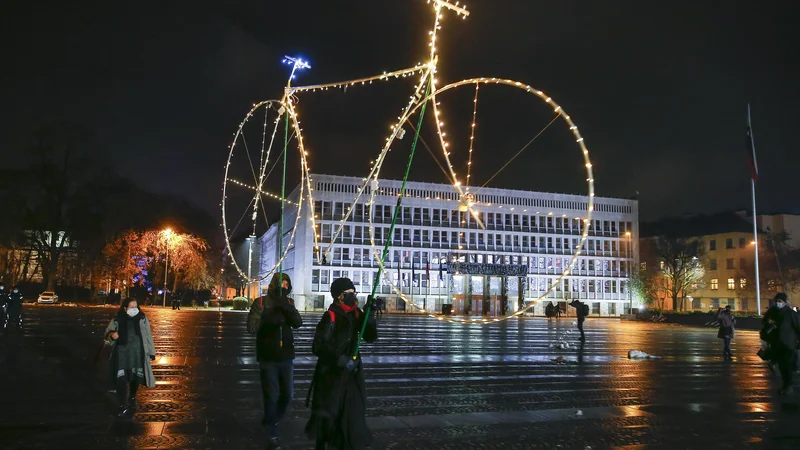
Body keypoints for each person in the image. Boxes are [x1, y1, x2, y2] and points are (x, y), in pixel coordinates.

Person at [306, 278, 378, 450]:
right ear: (339, 296)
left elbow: (370, 337)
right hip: (331, 378)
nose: (353, 296)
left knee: (351, 416)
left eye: (354, 292)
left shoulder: (356, 313)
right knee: (329, 419)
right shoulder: (330, 316)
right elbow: (318, 346)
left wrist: (370, 316)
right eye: (349, 293)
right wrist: (338, 358)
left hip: (351, 376)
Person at [247, 273, 303, 450]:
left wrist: (287, 308)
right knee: (271, 395)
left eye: (287, 284)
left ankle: (272, 419)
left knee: (287, 395)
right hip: (268, 356)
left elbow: (298, 323)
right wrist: (268, 321)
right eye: (281, 283)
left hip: (286, 356)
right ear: (274, 284)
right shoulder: (261, 302)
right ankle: (272, 429)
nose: (284, 286)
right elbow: (251, 327)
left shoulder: (289, 302)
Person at [104, 298, 156, 417]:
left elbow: (148, 335)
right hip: (121, 355)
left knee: (134, 378)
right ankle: (123, 405)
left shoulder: (142, 319)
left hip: (137, 353)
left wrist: (151, 352)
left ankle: (132, 396)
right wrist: (112, 336)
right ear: (125, 308)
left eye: (136, 307)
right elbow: (106, 338)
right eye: (131, 307)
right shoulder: (116, 320)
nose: (134, 309)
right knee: (121, 380)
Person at [773, 294, 800, 395]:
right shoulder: (777, 313)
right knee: (782, 366)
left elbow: (798, 327)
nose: (777, 303)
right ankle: (786, 385)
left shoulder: (791, 314)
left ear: (785, 302)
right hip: (779, 344)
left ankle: (788, 386)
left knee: (786, 366)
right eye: (776, 301)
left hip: (789, 344)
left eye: (779, 301)